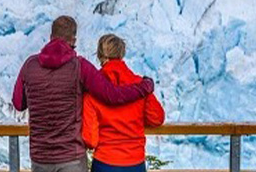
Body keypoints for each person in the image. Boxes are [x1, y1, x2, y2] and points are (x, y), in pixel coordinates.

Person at [12, 16, 155, 172]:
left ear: (51, 37)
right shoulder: (80, 67)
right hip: (72, 157)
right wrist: (144, 87)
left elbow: (19, 103)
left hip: (40, 157)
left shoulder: (30, 65)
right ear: (73, 39)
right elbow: (112, 95)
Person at [82, 34, 165, 172]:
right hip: (135, 162)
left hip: (105, 162)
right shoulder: (140, 86)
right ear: (122, 53)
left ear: (99, 54)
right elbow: (157, 118)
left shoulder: (92, 92)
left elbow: (90, 139)